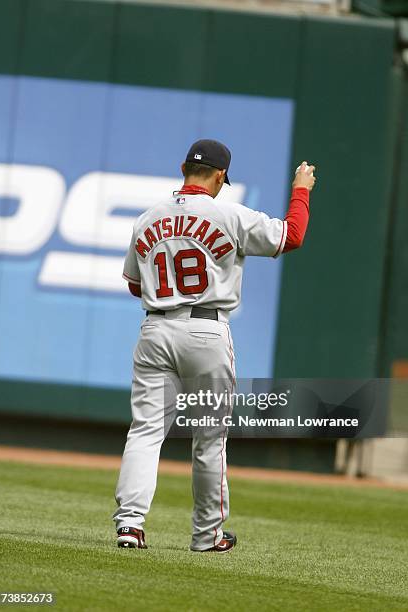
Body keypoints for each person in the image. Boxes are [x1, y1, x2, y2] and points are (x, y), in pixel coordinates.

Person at [113, 139, 316, 553]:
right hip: (207, 330)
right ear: (221, 175)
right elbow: (291, 236)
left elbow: (136, 284)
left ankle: (130, 525)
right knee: (209, 438)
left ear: (183, 166)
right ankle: (207, 535)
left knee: (146, 431)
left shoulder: (148, 218)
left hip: (155, 329)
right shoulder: (229, 213)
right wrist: (302, 189)